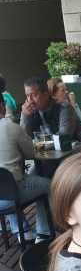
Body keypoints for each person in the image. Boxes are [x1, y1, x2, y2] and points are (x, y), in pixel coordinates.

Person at [0, 95, 52, 243]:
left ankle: (22, 230)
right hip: (13, 193)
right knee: (50, 185)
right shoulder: (11, 127)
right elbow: (32, 153)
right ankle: (44, 232)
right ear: (2, 106)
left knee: (6, 183)